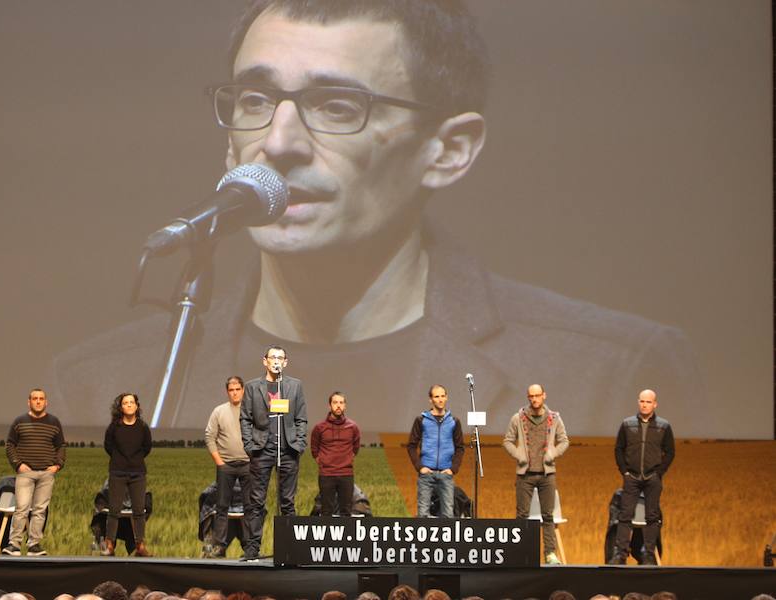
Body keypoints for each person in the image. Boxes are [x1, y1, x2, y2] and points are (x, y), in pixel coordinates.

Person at [51, 0, 701, 437]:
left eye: (336, 106)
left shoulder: (607, 374)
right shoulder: (101, 383)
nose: (277, 142)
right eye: (255, 99)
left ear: (448, 150)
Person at [240, 345, 307, 560]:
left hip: (288, 451)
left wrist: (299, 443)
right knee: (256, 501)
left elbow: (301, 418)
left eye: (280, 357)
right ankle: (252, 549)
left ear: (285, 362)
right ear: (265, 361)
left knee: (287, 502)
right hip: (261, 451)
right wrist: (249, 445)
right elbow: (245, 418)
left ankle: (289, 550)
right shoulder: (252, 387)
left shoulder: (294, 386)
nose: (276, 360)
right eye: (273, 357)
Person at [502, 384, 569, 565]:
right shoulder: (518, 418)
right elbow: (508, 441)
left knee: (548, 516)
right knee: (522, 516)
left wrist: (553, 453)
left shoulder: (554, 418)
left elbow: (564, 441)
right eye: (531, 396)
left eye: (537, 395)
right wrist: (519, 454)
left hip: (547, 474)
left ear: (544, 395)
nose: (534, 399)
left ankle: (550, 553)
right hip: (525, 475)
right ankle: (521, 553)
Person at [608, 389, 675, 565]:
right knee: (625, 516)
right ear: (638, 402)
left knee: (652, 517)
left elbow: (670, 452)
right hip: (632, 477)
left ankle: (648, 554)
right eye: (642, 401)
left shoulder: (663, 426)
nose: (645, 405)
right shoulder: (627, 424)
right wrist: (625, 472)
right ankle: (621, 554)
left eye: (648, 402)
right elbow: (619, 449)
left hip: (653, 478)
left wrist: (659, 473)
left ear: (655, 404)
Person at [3, 388, 66, 556]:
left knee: (40, 510)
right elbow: (10, 445)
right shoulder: (19, 421)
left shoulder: (54, 422)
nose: (38, 401)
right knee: (21, 508)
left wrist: (57, 466)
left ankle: (34, 545)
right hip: (26, 473)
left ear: (46, 402)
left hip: (46, 474)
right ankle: (14, 544)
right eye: (35, 398)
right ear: (29, 402)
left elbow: (61, 446)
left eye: (41, 399)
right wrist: (18, 465)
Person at [204, 375, 252, 557]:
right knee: (222, 506)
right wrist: (219, 462)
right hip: (226, 466)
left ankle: (250, 548)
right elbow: (209, 436)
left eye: (238, 389)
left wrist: (255, 459)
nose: (235, 393)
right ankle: (219, 546)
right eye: (231, 390)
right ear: (227, 392)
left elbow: (261, 433)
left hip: (248, 465)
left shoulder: (251, 410)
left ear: (243, 390)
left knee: (250, 506)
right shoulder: (219, 411)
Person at [101, 393, 153, 557]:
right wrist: (120, 460)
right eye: (125, 403)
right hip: (117, 472)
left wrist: (134, 460)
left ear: (137, 406)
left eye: (132, 402)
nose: (129, 405)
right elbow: (108, 446)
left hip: (138, 473)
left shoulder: (143, 427)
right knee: (114, 510)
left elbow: (147, 447)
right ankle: (110, 545)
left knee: (139, 510)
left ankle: (140, 546)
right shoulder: (114, 427)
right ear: (121, 407)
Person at [406, 384, 464, 517]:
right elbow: (411, 446)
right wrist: (420, 467)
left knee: (448, 515)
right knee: (423, 515)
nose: (440, 399)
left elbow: (460, 447)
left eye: (443, 396)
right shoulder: (421, 420)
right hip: (426, 475)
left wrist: (453, 469)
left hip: (446, 474)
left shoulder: (454, 421)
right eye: (437, 396)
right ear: (430, 400)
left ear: (447, 397)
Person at [309, 391, 361, 516]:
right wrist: (324, 463)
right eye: (335, 402)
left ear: (345, 406)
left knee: (346, 511)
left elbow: (355, 448)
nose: (338, 405)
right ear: (330, 405)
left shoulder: (353, 427)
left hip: (346, 474)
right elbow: (314, 450)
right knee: (326, 511)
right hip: (326, 474)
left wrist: (346, 461)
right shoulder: (319, 428)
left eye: (341, 403)